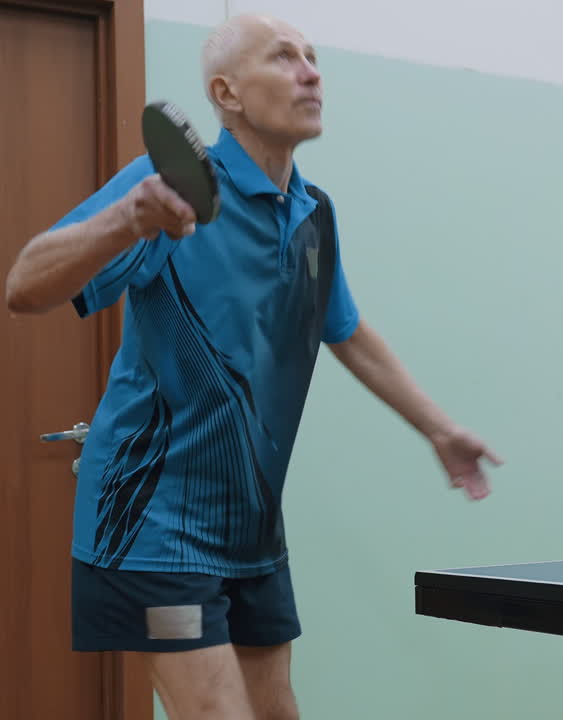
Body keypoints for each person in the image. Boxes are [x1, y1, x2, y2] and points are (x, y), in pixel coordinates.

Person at [4, 13, 501, 720]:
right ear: (226, 93)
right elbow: (23, 285)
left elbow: (346, 330)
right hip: (151, 526)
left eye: (313, 57)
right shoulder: (166, 186)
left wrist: (438, 428)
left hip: (251, 529)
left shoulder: (313, 214)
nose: (311, 72)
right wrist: (129, 219)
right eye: (284, 57)